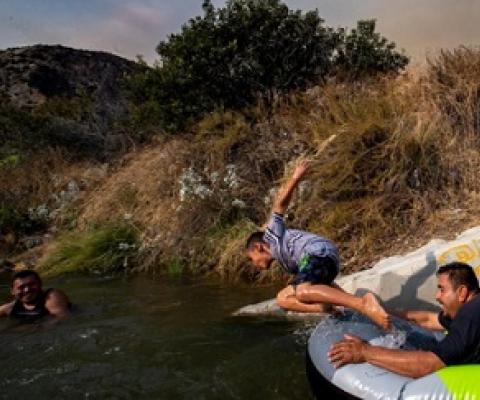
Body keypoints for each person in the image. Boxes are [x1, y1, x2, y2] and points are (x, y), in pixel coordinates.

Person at [245, 160, 390, 330]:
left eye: (251, 259)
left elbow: (279, 205)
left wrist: (296, 177)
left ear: (258, 247)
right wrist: (336, 300)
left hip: (318, 252)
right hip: (321, 259)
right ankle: (334, 309)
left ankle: (363, 304)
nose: (254, 264)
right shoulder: (288, 261)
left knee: (302, 291)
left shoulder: (271, 235)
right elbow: (324, 283)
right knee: (283, 299)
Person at [328, 262, 480, 378]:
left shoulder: (471, 313)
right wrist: (381, 313)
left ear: (462, 292)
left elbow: (429, 364)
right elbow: (427, 319)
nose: (437, 296)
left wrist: (364, 352)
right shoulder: (468, 311)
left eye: (442, 289)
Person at [0, 269, 70, 321]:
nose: (27, 290)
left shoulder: (52, 297)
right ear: (12, 291)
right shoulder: (9, 308)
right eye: (21, 287)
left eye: (31, 284)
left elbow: (62, 318)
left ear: (40, 284)